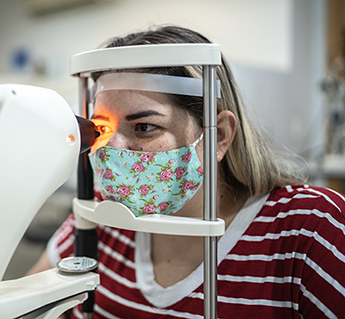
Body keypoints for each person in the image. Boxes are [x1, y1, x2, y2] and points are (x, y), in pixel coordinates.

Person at [28, 26, 345, 318]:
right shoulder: (100, 215)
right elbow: (28, 301)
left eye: (145, 127)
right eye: (102, 129)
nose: (114, 151)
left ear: (219, 136)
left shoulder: (309, 229)